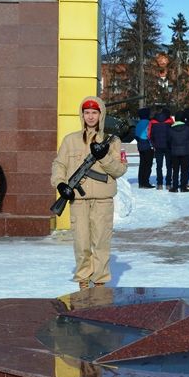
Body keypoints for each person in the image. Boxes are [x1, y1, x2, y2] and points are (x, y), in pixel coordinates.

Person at [51, 95, 127, 289]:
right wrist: (60, 184)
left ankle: (100, 282)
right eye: (87, 112)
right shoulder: (71, 140)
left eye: (94, 112)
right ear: (82, 115)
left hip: (103, 200)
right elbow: (59, 165)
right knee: (82, 242)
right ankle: (84, 281)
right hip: (79, 201)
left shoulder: (112, 141)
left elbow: (119, 170)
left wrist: (104, 157)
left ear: (101, 115)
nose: (91, 117)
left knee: (101, 242)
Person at [168, 111, 189, 193]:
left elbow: (169, 141)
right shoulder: (187, 129)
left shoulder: (171, 129)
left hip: (174, 152)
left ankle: (175, 187)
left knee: (175, 170)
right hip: (185, 152)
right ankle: (183, 187)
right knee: (184, 170)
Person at [149, 108, 172, 189]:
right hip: (168, 146)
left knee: (159, 166)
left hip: (158, 146)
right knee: (169, 165)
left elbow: (150, 135)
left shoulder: (153, 122)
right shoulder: (170, 121)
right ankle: (168, 183)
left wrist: (154, 144)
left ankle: (159, 184)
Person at [134, 107, 155, 188]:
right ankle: (146, 182)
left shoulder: (138, 123)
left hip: (140, 145)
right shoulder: (149, 123)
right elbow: (150, 135)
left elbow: (136, 135)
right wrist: (152, 145)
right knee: (148, 165)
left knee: (142, 164)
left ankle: (141, 182)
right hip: (147, 146)